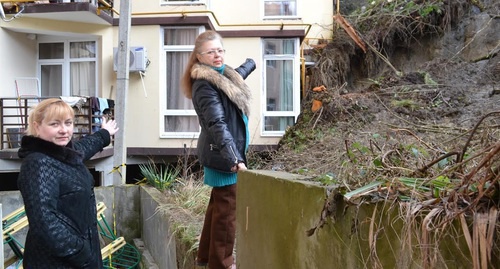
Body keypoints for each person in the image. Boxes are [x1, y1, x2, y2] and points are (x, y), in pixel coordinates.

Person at [181, 30, 256, 269]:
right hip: (223, 154)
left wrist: (250, 64)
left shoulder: (222, 75)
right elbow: (216, 124)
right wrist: (234, 157)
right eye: (210, 52)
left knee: (217, 208)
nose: (217, 55)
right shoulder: (204, 85)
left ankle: (205, 257)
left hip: (222, 152)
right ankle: (222, 264)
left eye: (220, 50)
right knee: (227, 214)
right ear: (199, 57)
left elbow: (234, 77)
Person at [17, 98, 119, 268]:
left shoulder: (61, 154)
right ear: (37, 126)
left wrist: (104, 134)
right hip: (58, 262)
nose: (64, 130)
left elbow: (82, 149)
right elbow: (44, 222)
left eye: (68, 123)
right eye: (55, 124)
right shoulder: (38, 163)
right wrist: (83, 255)